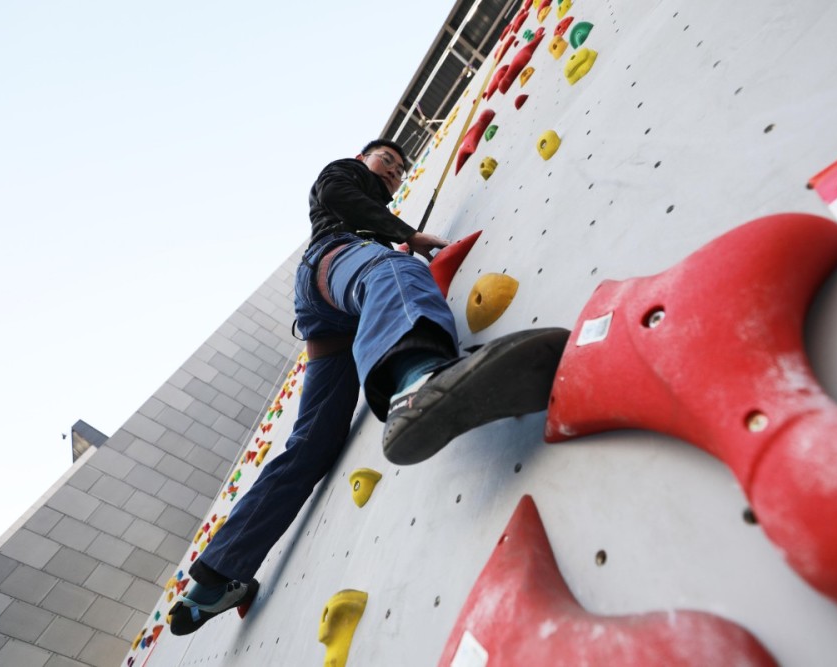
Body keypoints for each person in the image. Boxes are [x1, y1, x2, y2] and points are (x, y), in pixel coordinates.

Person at [168, 140, 567, 634]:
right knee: (393, 270)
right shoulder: (343, 176)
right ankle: (418, 380)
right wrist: (405, 236)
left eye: (401, 170)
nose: (395, 172)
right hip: (332, 263)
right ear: (363, 160)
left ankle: (213, 582)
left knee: (311, 445)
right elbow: (339, 195)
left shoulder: (367, 209)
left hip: (326, 318)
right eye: (387, 162)